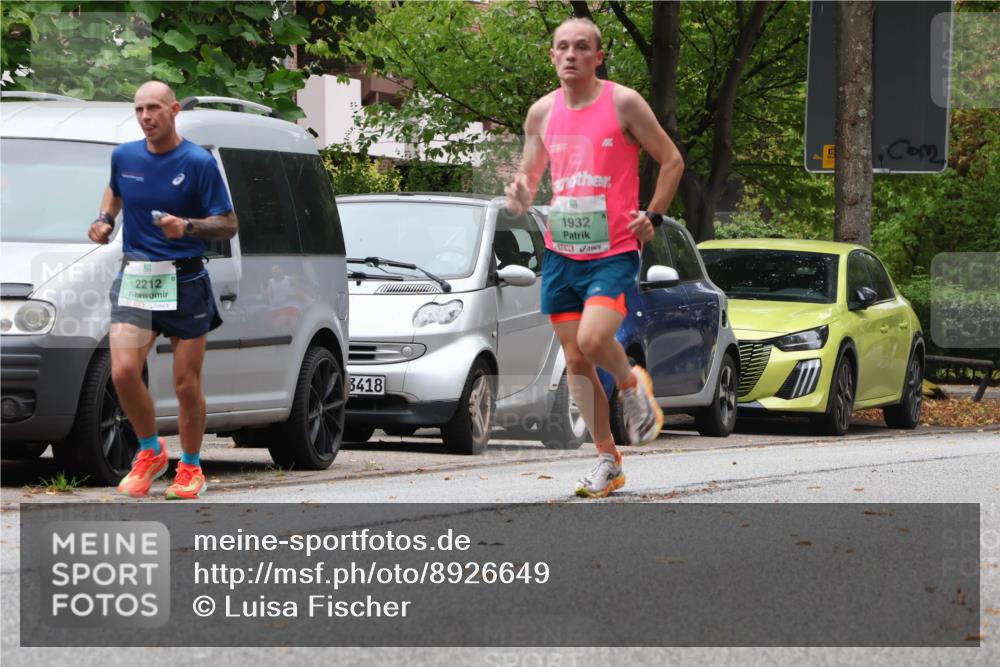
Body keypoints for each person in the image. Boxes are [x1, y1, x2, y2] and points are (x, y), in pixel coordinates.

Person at [505, 17, 684, 498]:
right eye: (562, 47)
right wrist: (520, 195)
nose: (570, 55)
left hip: (614, 250)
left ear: (598, 56)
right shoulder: (540, 113)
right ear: (552, 55)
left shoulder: (622, 102)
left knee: (593, 336)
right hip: (562, 252)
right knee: (577, 361)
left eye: (581, 47)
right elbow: (530, 179)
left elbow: (672, 161)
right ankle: (608, 459)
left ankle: (630, 383)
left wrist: (654, 215)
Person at [87, 81, 238, 499]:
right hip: (136, 276)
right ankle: (151, 452)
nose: (145, 117)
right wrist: (104, 219)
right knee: (121, 371)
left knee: (186, 383)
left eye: (153, 108)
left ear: (173, 111)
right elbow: (116, 191)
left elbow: (228, 223)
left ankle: (190, 467)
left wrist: (187, 226)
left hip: (185, 278)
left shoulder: (197, 161)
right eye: (139, 110)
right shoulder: (125, 155)